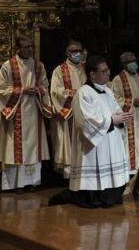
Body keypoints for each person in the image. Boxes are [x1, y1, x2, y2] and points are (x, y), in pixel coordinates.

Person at [49, 55, 132, 208]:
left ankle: (110, 196)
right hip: (94, 145)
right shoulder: (83, 93)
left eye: (108, 70)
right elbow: (86, 122)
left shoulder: (107, 91)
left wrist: (122, 117)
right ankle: (88, 197)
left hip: (110, 139)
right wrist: (112, 120)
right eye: (104, 71)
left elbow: (115, 110)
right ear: (92, 74)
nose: (108, 73)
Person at [0, 35, 52, 192]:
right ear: (18, 48)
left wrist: (39, 90)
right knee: (15, 148)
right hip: (15, 112)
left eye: (31, 47)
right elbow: (0, 89)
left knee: (32, 147)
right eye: (26, 47)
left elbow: (45, 85)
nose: (30, 50)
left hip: (34, 110)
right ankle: (15, 184)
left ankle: (31, 182)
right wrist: (22, 90)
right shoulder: (8, 66)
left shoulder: (38, 66)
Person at [50, 40, 87, 179]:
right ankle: (69, 175)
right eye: (73, 51)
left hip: (86, 113)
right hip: (69, 113)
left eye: (79, 51)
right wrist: (76, 93)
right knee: (69, 145)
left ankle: (85, 173)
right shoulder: (60, 70)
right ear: (67, 53)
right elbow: (55, 91)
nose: (77, 54)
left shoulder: (86, 68)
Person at [109, 52, 139, 176]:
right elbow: (114, 98)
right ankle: (130, 171)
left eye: (134, 60)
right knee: (129, 143)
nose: (133, 64)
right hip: (128, 117)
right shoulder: (118, 79)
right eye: (130, 62)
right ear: (124, 64)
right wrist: (131, 102)